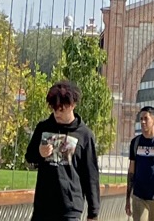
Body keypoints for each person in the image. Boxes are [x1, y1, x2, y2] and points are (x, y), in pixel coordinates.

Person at [26, 78, 100, 221]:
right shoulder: (43, 128)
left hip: (70, 208)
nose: (57, 114)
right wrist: (40, 153)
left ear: (72, 105)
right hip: (43, 207)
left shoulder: (85, 135)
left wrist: (93, 212)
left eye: (61, 109)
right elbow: (29, 157)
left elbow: (90, 175)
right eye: (54, 109)